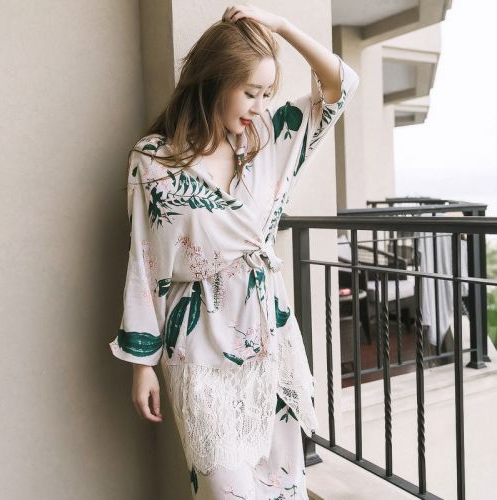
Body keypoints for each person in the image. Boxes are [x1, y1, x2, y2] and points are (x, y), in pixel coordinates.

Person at [109, 4, 359, 499]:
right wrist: (142, 363)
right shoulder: (153, 160)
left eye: (267, 93)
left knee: (282, 486)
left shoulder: (268, 139)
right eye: (250, 92)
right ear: (214, 80)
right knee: (226, 490)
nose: (259, 106)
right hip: (198, 347)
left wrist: (281, 27)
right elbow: (145, 262)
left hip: (268, 341)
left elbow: (340, 86)